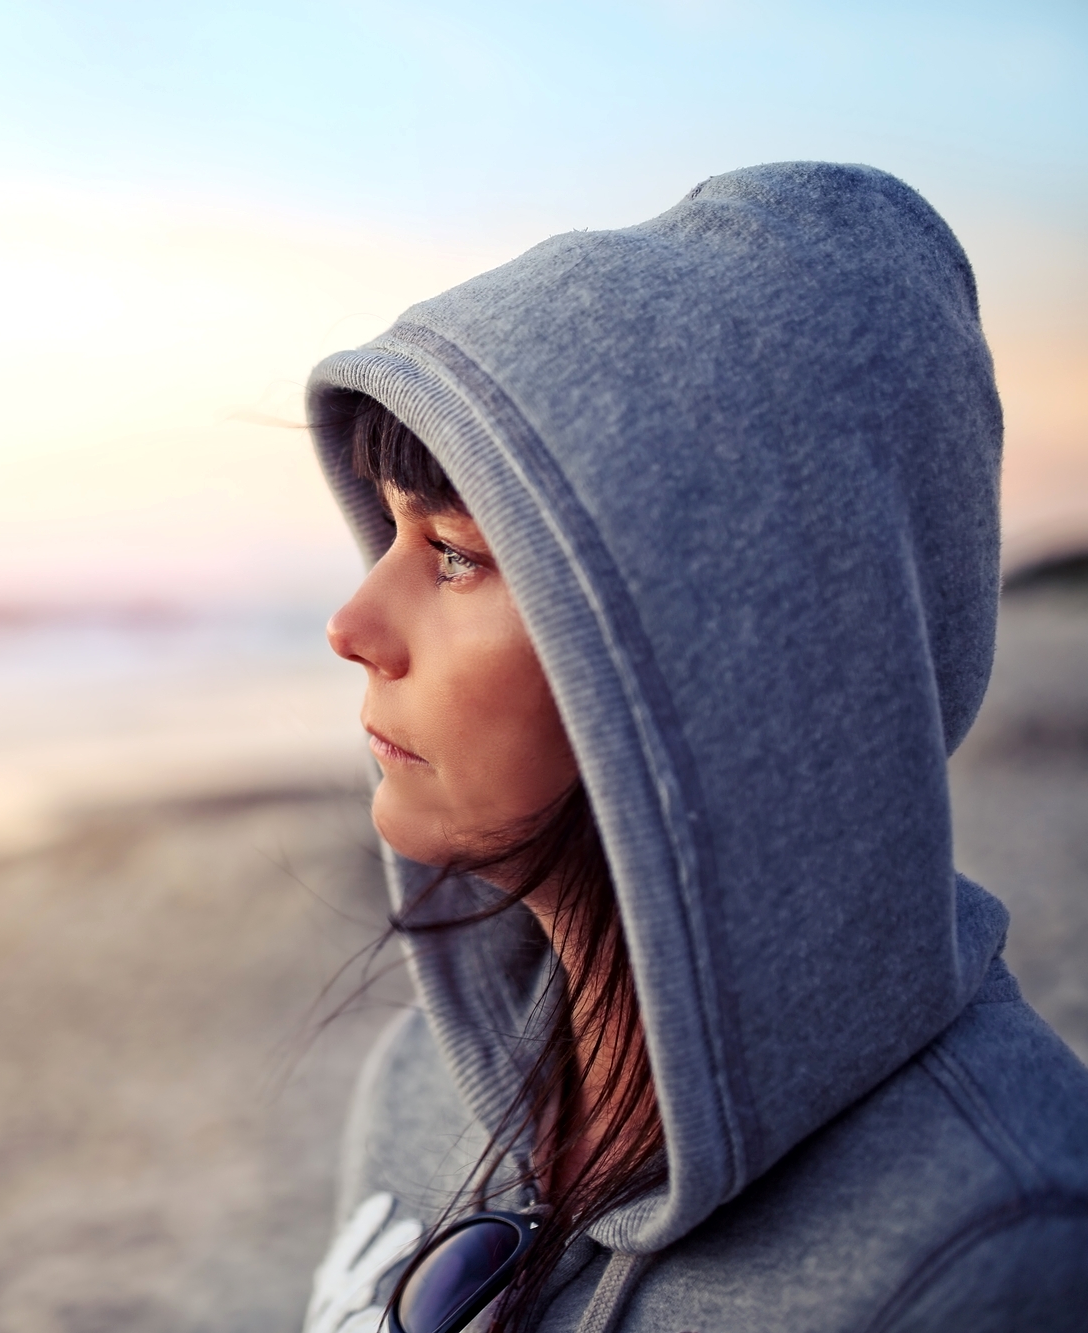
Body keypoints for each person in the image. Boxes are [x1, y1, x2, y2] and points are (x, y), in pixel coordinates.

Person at [296, 162, 1088, 1333]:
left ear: (715, 641)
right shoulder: (427, 1086)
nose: (351, 626)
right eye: (390, 534)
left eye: (455, 553)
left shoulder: (982, 1251)